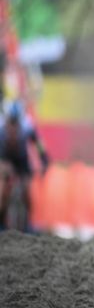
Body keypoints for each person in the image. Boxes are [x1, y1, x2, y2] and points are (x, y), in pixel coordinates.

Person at [0, 99, 50, 231]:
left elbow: (38, 143)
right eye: (11, 122)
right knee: (2, 188)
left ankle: (28, 222)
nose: (13, 126)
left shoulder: (27, 125)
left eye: (16, 123)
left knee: (27, 189)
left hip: (21, 159)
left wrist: (44, 159)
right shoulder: (0, 126)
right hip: (5, 157)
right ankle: (2, 219)